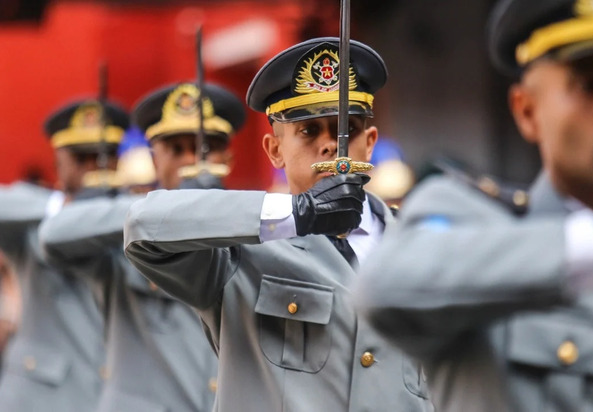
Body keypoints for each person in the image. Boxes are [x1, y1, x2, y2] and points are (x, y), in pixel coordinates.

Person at [124, 37, 433, 412]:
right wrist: (299, 214)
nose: (330, 146)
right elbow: (143, 228)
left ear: (369, 144)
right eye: (308, 131)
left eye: (345, 129)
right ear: (274, 150)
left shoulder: (418, 248)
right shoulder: (241, 251)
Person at [354, 1, 593, 411]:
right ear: (527, 111)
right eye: (591, 85)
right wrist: (585, 246)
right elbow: (387, 286)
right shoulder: (470, 220)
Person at [39, 82, 246, 411]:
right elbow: (54, 235)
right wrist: (164, 210)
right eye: (176, 150)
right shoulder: (124, 229)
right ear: (154, 158)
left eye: (205, 149)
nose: (191, 161)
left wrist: (224, 211)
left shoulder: (249, 229)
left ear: (229, 156)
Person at [0, 99, 128, 411]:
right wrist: (62, 207)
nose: (94, 167)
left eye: (105, 156)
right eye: (82, 157)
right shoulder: (35, 216)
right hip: (44, 394)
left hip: (117, 390)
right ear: (60, 162)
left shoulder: (127, 218)